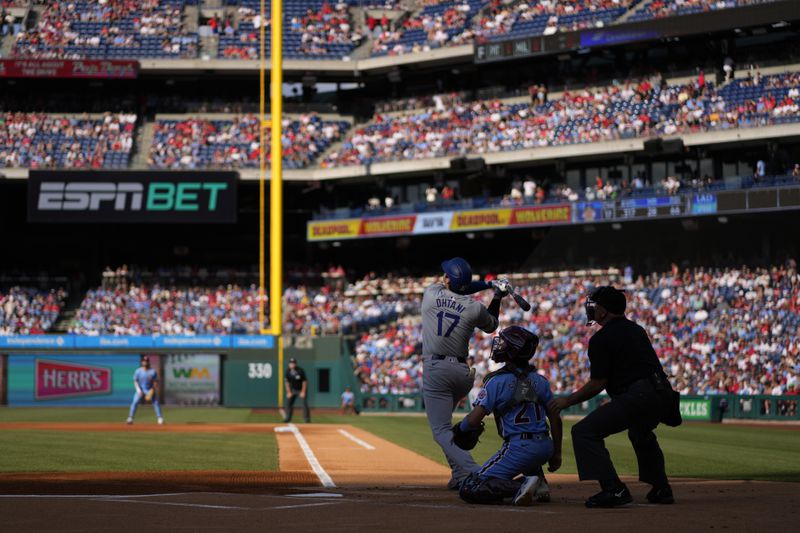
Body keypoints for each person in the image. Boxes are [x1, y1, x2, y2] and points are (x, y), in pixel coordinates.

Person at [549, 286, 676, 508]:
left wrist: (567, 401)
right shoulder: (637, 330)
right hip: (663, 394)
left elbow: (598, 383)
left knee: (584, 432)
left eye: (594, 306)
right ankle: (661, 488)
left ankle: (614, 490)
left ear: (604, 312)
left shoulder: (601, 339)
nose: (591, 310)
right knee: (640, 432)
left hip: (639, 395)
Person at [422, 257, 507, 489]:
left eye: (446, 274)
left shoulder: (431, 294)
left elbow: (460, 286)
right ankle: (459, 474)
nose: (443, 276)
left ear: (448, 279)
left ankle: (475, 472)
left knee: (439, 430)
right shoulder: (474, 308)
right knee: (444, 427)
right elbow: (492, 325)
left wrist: (489, 284)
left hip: (436, 369)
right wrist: (496, 292)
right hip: (462, 373)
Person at [455, 326, 562, 506]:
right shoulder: (541, 381)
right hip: (545, 445)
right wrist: (556, 453)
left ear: (513, 351)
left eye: (504, 343)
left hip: (519, 447)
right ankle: (539, 480)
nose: (499, 345)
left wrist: (460, 429)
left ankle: (523, 485)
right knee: (530, 456)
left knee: (470, 486)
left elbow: (474, 419)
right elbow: (555, 417)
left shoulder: (496, 381)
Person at [127, 356, 163, 425]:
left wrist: (152, 390)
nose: (145, 362)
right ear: (141, 362)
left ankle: (160, 418)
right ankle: (130, 418)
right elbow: (135, 381)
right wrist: (138, 390)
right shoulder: (138, 371)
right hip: (140, 389)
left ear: (148, 362)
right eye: (144, 361)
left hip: (149, 389)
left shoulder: (152, 371)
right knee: (135, 402)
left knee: (156, 402)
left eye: (146, 361)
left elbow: (155, 382)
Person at [284, 358, 311, 423]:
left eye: (293, 363)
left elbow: (304, 382)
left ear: (295, 364)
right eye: (291, 363)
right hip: (293, 390)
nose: (292, 364)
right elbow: (287, 382)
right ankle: (288, 418)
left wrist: (303, 392)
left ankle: (306, 418)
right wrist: (288, 392)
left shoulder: (300, 371)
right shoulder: (288, 371)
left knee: (304, 403)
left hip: (301, 389)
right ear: (289, 364)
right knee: (289, 403)